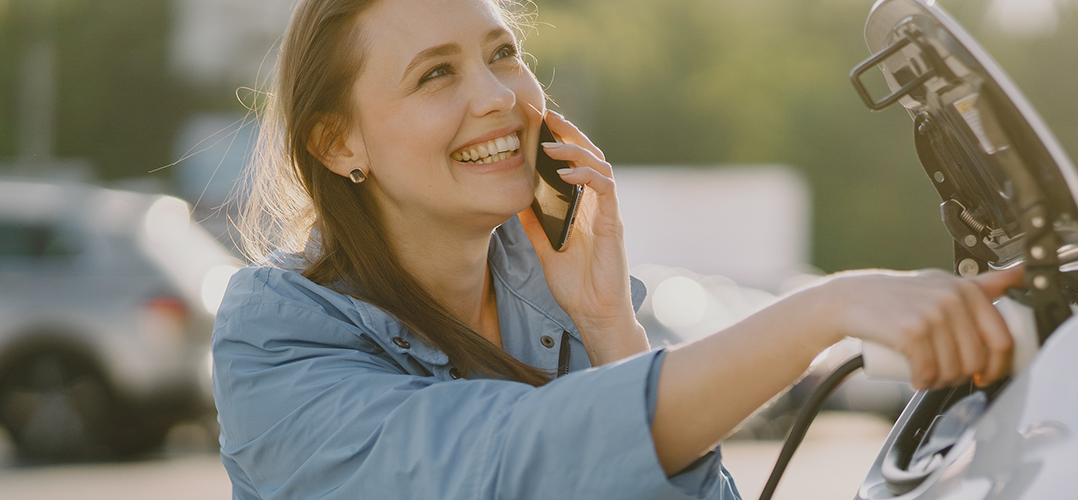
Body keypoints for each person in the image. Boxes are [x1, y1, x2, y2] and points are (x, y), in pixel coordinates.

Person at [212, 0, 1022, 498]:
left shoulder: (552, 294)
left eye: (502, 55)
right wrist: (822, 310)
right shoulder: (273, 330)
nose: (499, 99)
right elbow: (501, 465)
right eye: (435, 75)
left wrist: (609, 328)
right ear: (336, 142)